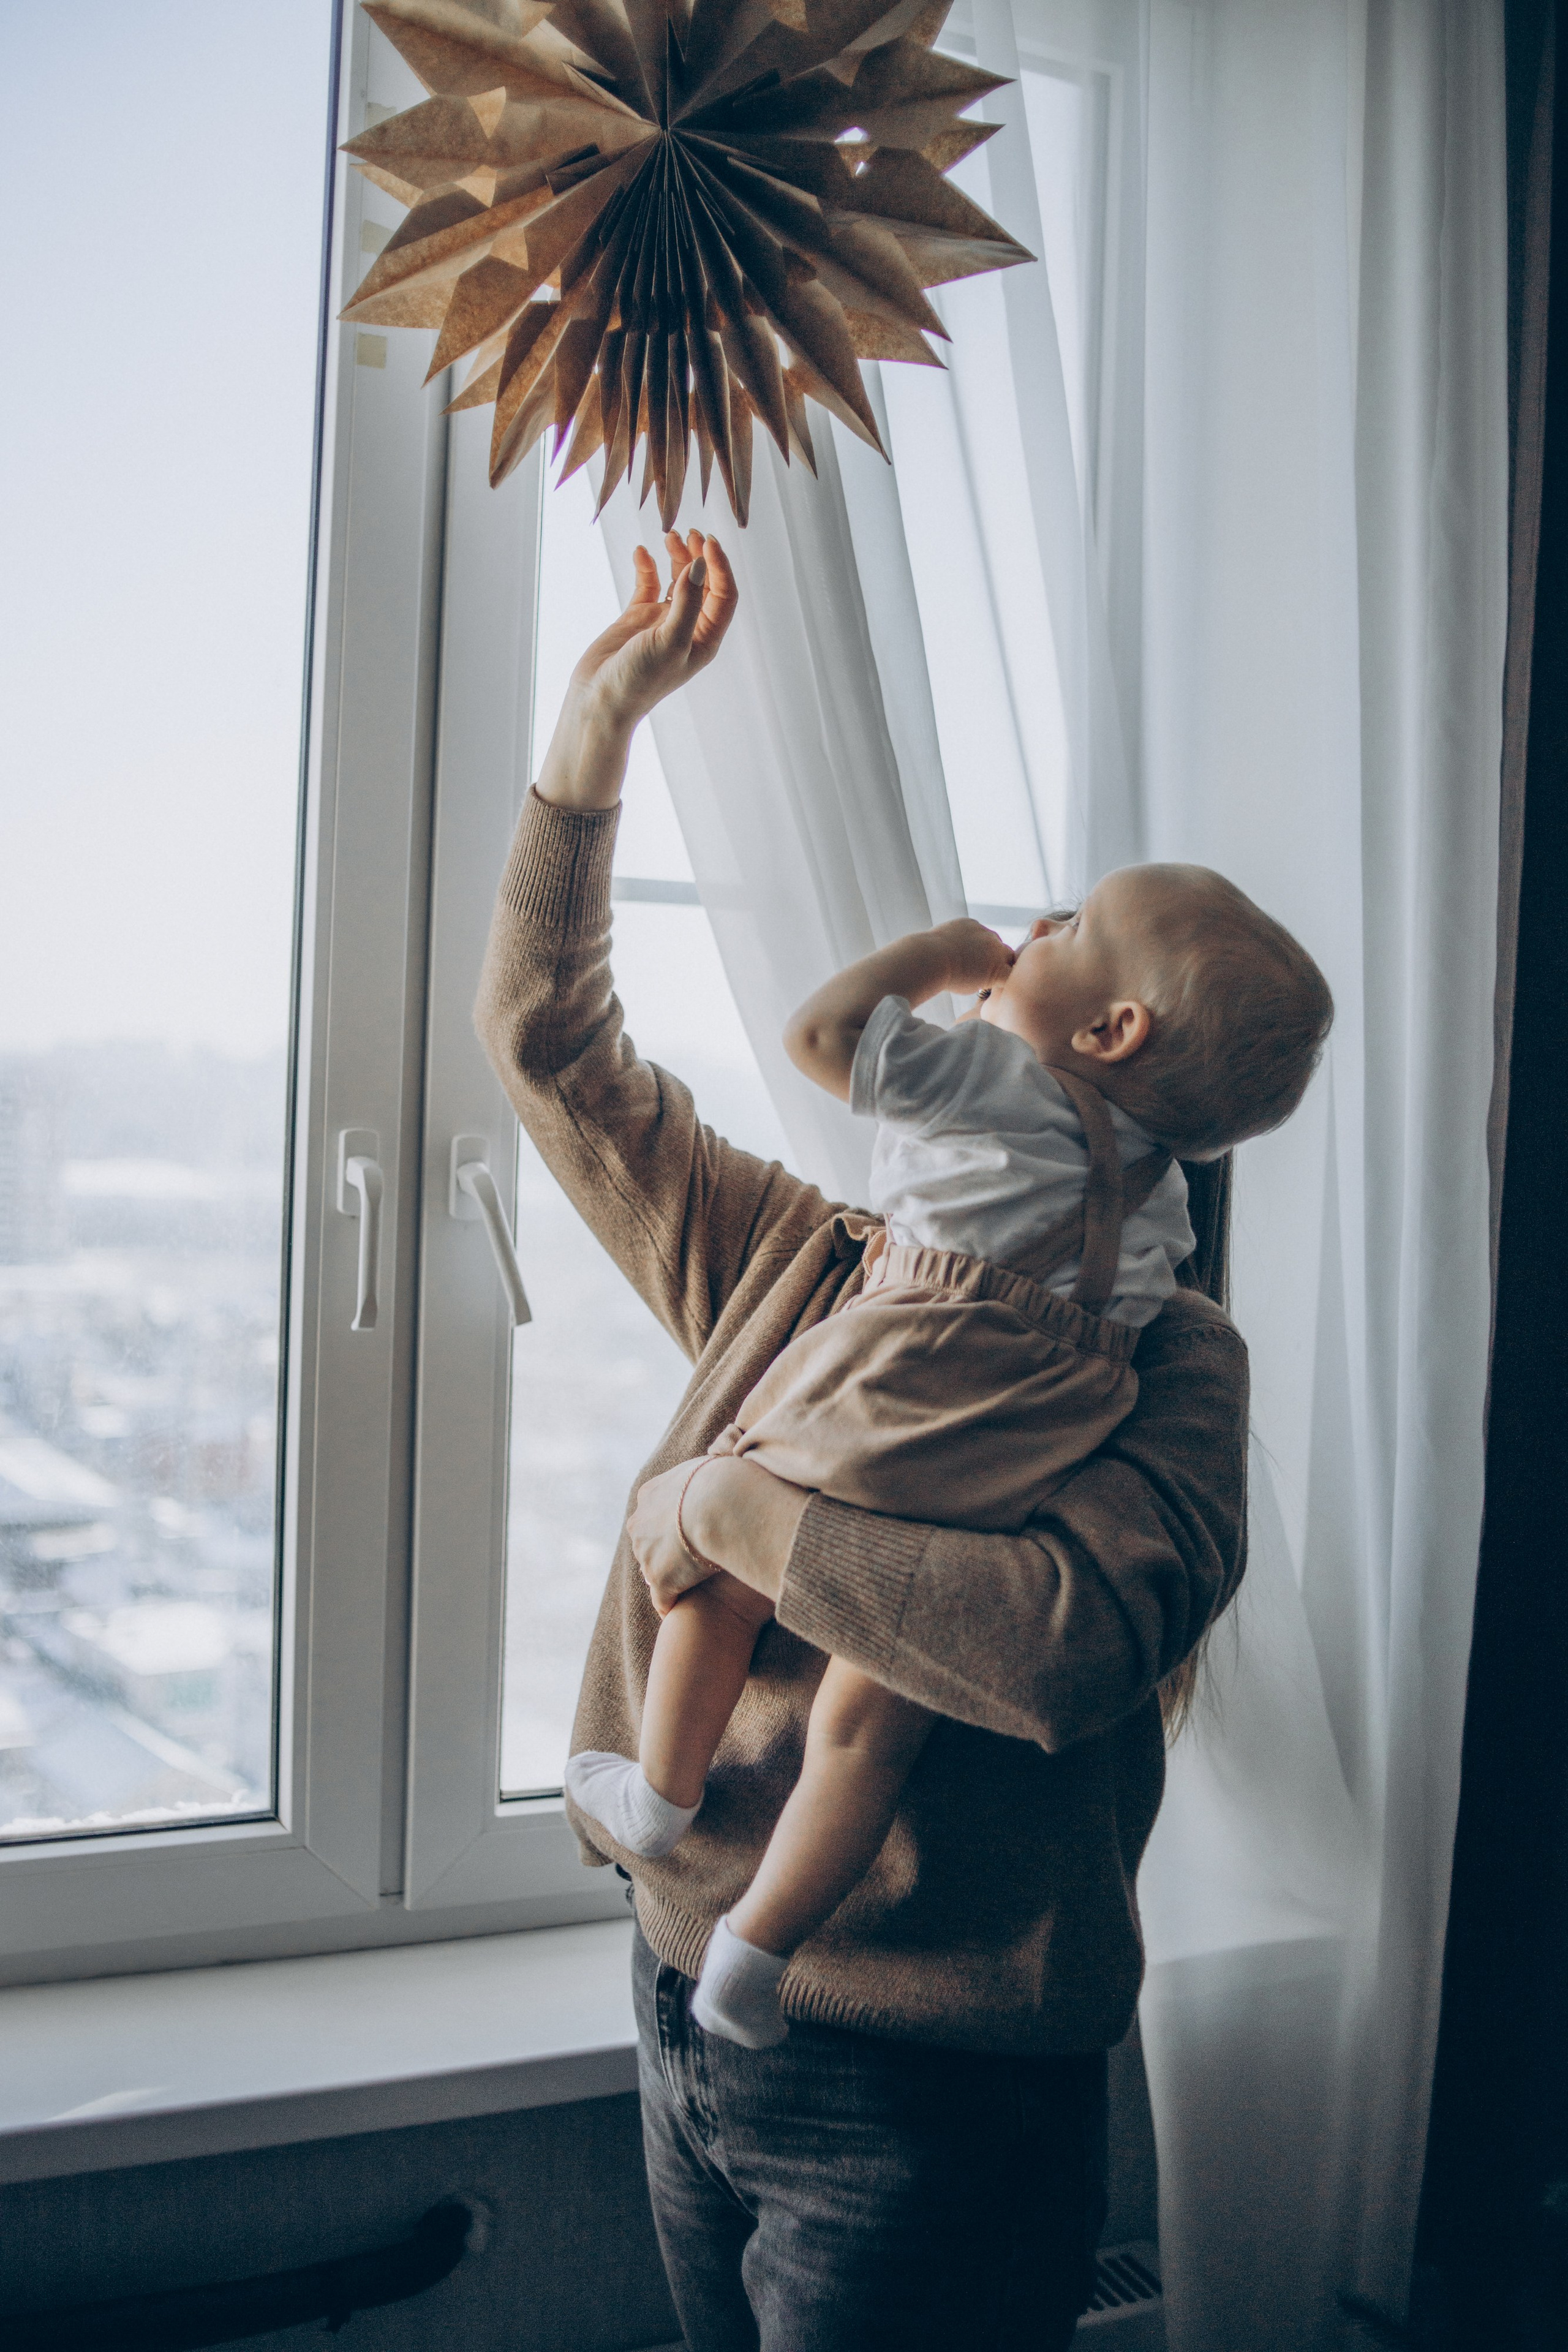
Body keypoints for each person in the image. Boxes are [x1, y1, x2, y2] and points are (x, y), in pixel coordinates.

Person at [476, 529, 1254, 2352]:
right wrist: (594, 738)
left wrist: (738, 1517)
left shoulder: (1169, 1362)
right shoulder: (803, 1257)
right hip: (679, 1992)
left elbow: (1057, 1649)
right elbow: (553, 1051)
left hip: (936, 2086)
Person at [566, 858, 1330, 2049]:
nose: (1038, 927)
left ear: (1110, 1029)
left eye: (1071, 925)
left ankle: (659, 1796)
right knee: (867, 1730)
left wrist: (943, 957)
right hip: (1010, 1467)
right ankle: (756, 1954)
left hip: (898, 1394)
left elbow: (820, 1035)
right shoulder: (1159, 1205)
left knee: (715, 1577)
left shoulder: (1002, 1090)